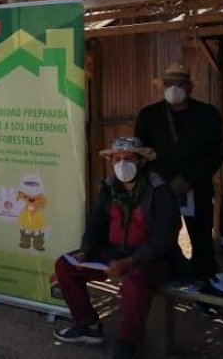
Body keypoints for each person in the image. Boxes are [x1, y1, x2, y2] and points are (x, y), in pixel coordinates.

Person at [53, 137, 180, 359]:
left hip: (150, 258)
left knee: (134, 283)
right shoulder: (109, 187)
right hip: (114, 251)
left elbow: (164, 239)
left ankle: (127, 343)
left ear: (141, 161)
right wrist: (85, 249)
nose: (122, 164)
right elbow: (97, 223)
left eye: (128, 159)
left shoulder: (160, 190)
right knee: (65, 265)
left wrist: (129, 262)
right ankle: (87, 325)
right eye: (117, 159)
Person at [134, 63, 223, 284]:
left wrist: (189, 179)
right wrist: (168, 178)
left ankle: (205, 288)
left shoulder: (207, 114)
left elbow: (216, 152)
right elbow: (142, 151)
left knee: (201, 238)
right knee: (161, 237)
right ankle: (169, 279)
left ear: (190, 88)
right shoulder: (148, 115)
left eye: (179, 84)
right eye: (168, 84)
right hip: (159, 188)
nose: (174, 88)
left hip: (197, 187)